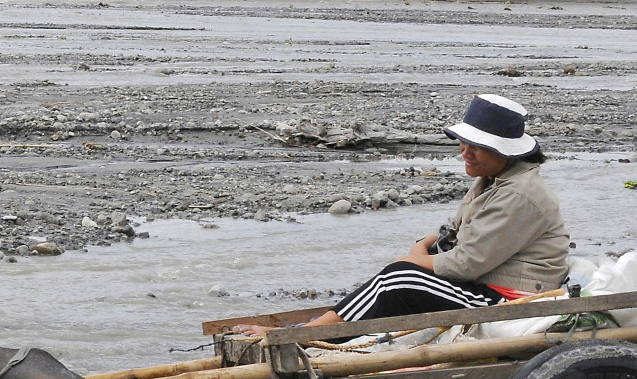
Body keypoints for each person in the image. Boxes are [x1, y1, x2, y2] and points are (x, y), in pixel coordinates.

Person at [237, 94, 569, 335]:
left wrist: (413, 260)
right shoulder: (493, 179)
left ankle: (306, 335)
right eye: (463, 143)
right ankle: (315, 331)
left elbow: (467, 263)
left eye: (476, 146)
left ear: (503, 151)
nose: (465, 152)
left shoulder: (519, 195)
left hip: (509, 299)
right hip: (484, 286)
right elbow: (451, 231)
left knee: (397, 279)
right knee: (398, 276)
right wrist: (421, 249)